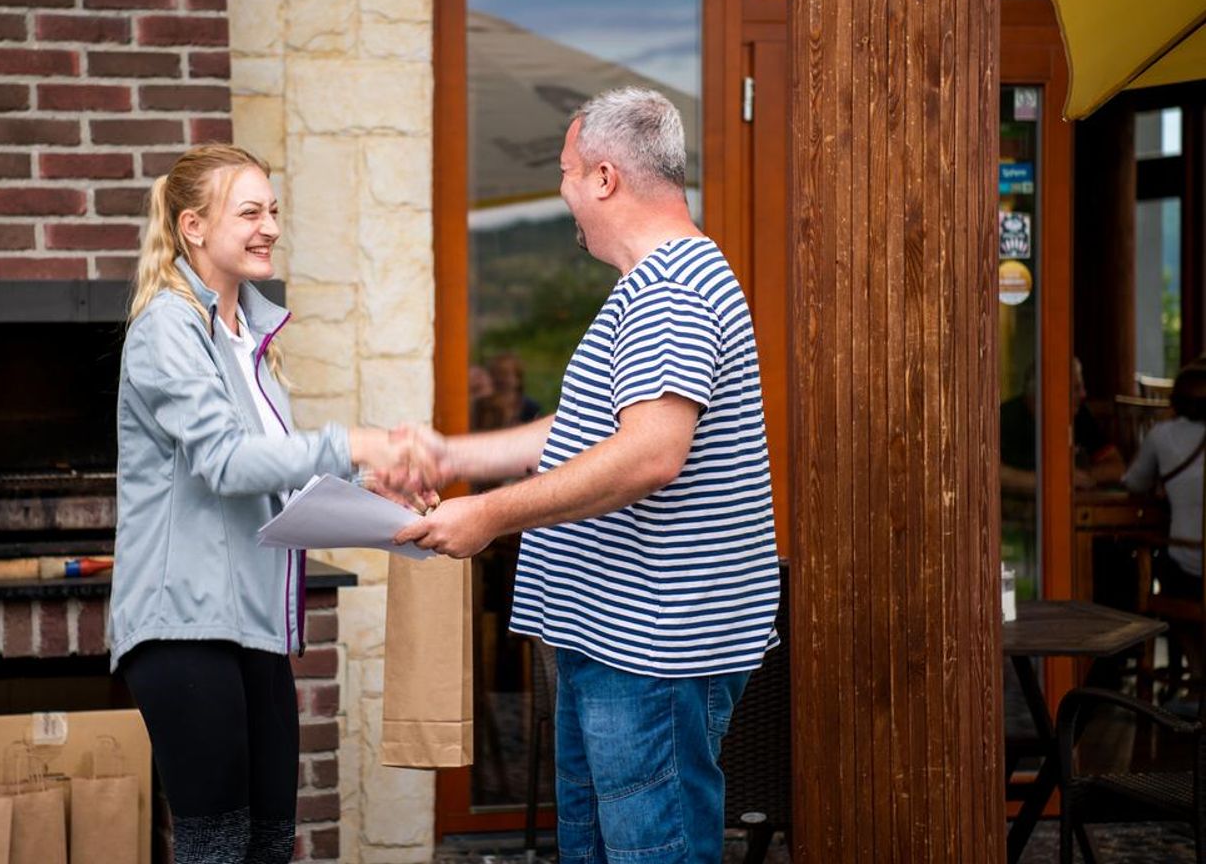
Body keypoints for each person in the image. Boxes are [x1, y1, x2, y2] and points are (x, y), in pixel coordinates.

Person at [397, 88, 781, 864]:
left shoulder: (671, 291)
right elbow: (584, 429)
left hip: (649, 653)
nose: (564, 190)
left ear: (606, 177)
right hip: (619, 644)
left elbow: (649, 453)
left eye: (567, 172)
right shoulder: (655, 284)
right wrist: (451, 457)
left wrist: (490, 516)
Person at [110, 144, 431, 864]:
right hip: (184, 625)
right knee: (219, 851)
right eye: (250, 212)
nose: (271, 228)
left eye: (274, 211)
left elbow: (269, 475)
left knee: (269, 847)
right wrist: (353, 441)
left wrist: (370, 487)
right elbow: (224, 461)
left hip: (253, 627)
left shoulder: (249, 337)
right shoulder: (167, 327)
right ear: (193, 226)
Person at [1123, 365, 1206, 677]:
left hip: (1190, 570)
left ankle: (1196, 672)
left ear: (1175, 402)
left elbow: (1134, 483)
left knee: (1162, 564)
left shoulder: (1162, 435)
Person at [999, 357, 1125, 492]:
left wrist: (1082, 476)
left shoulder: (1079, 414)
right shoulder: (1006, 418)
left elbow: (1117, 467)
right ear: (1049, 389)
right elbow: (994, 473)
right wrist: (1048, 481)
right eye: (1076, 388)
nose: (1083, 394)